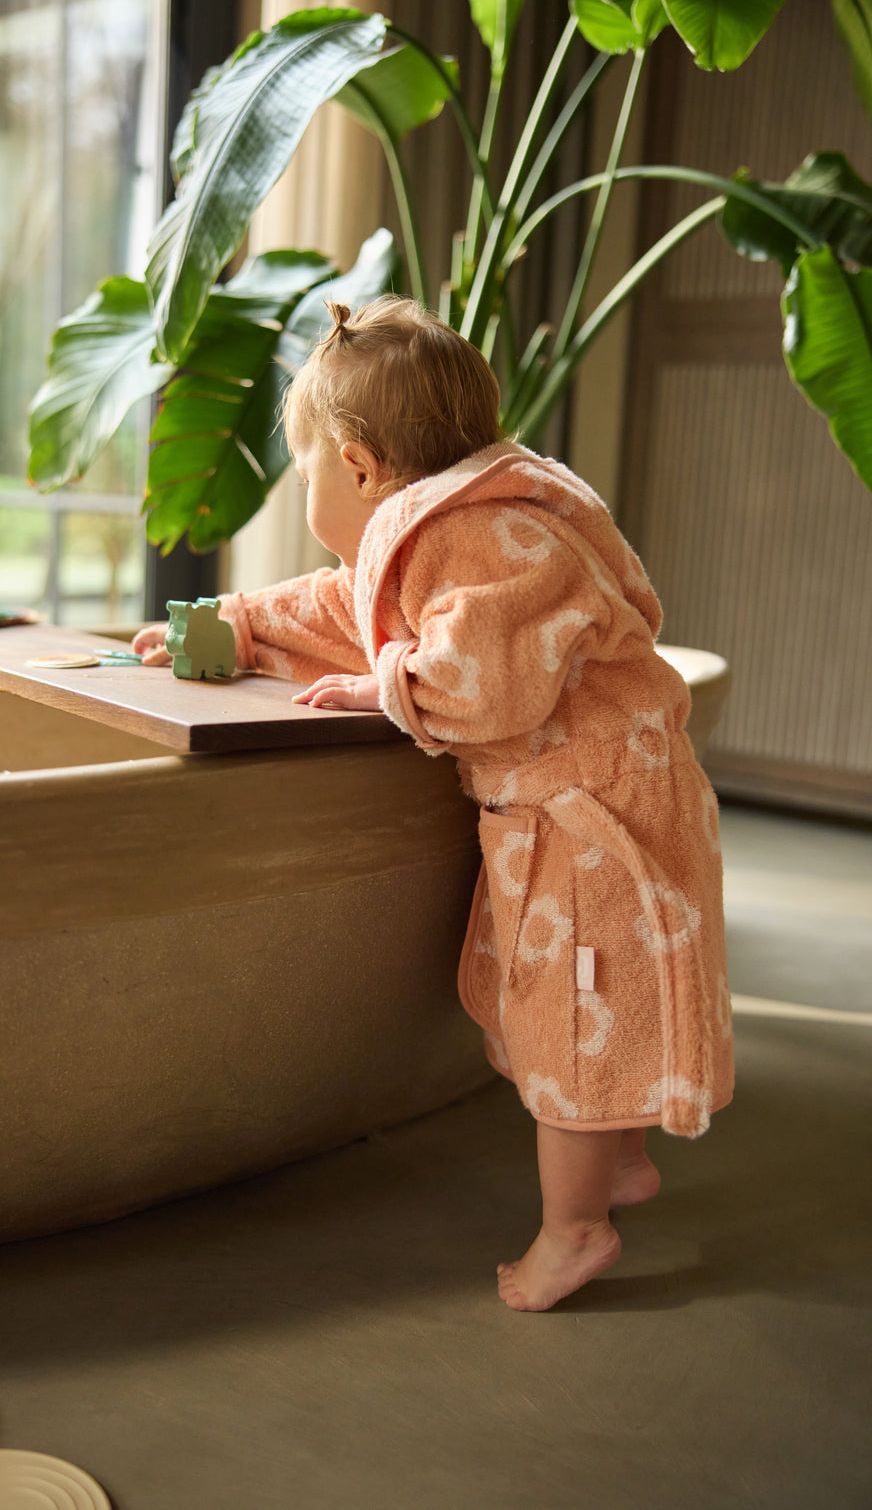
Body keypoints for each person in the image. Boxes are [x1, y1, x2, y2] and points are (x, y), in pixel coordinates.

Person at [133, 297, 734, 1312]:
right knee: (603, 998)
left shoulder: (486, 538)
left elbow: (482, 680)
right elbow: (348, 607)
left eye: (309, 473)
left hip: (596, 821)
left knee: (573, 1023)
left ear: (360, 466)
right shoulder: (457, 524)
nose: (310, 490)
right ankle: (620, 1159)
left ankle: (574, 1230)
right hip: (603, 801)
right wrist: (234, 626)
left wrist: (387, 685)